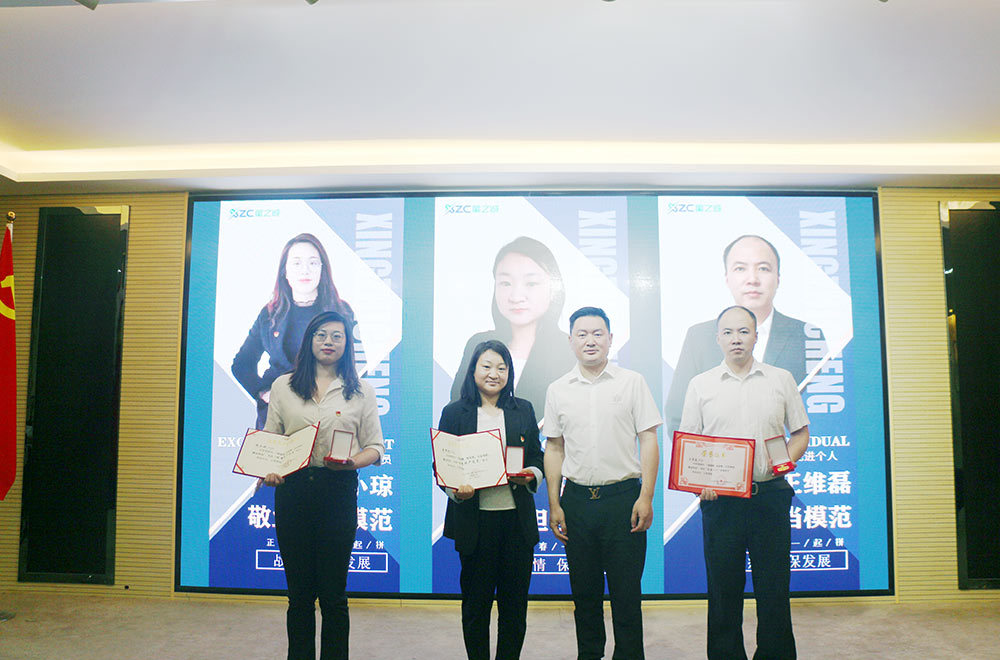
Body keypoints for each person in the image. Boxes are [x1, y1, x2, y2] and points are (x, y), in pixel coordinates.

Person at [679, 305, 809, 660]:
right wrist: (699, 482)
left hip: (770, 496)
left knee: (774, 588)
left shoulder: (780, 378)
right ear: (717, 338)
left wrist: (787, 461)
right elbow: (691, 444)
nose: (736, 339)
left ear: (756, 335)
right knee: (723, 590)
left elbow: (800, 432)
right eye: (728, 332)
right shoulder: (700, 384)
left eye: (744, 331)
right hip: (721, 502)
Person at [261, 310, 384, 660]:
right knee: (299, 594)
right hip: (294, 492)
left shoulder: (361, 392)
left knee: (333, 595)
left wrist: (351, 462)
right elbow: (271, 440)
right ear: (309, 340)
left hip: (337, 492)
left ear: (347, 344)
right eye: (321, 335)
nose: (329, 342)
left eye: (337, 336)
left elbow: (375, 447)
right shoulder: (283, 386)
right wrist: (270, 468)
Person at [542, 307, 661, 660]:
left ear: (610, 338)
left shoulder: (632, 382)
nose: (590, 340)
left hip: (623, 500)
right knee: (585, 596)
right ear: (570, 341)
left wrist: (646, 496)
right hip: (577, 502)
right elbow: (554, 446)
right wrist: (554, 503)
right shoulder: (558, 389)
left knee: (627, 596)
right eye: (582, 334)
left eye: (598, 333)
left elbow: (649, 439)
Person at [437, 339, 544, 660]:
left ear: (510, 373)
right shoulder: (455, 412)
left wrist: (531, 474)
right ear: (473, 371)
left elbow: (537, 456)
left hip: (516, 523)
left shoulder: (522, 409)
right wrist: (455, 489)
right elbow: (442, 464)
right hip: (475, 522)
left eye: (502, 367)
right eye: (486, 366)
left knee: (515, 607)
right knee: (476, 606)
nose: (494, 374)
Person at [665, 234, 821, 437]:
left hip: (769, 468)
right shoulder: (698, 337)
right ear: (727, 278)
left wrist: (781, 464)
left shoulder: (807, 336)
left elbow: (802, 429)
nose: (753, 279)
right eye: (740, 268)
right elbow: (678, 417)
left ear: (778, 278)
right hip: (716, 466)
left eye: (763, 268)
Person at [233, 233, 354, 429]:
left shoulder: (341, 311)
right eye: (296, 263)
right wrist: (263, 393)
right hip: (278, 418)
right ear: (285, 271)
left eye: (313, 263)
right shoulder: (270, 314)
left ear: (322, 270)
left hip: (327, 418)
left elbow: (354, 367)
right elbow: (241, 364)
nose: (305, 270)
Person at [451, 236, 576, 418]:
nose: (516, 296)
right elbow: (457, 405)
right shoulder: (478, 344)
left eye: (531, 283)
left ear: (553, 289)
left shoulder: (569, 349)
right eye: (506, 283)